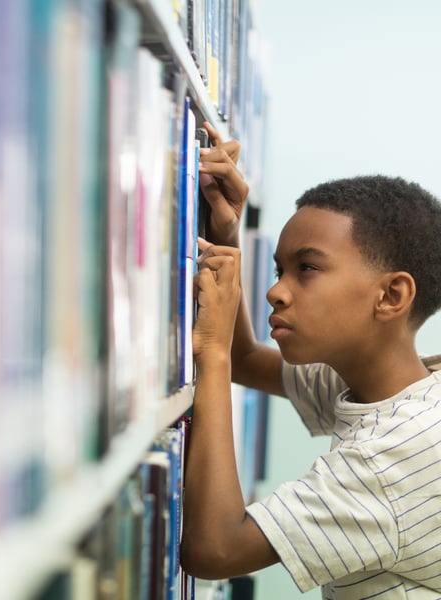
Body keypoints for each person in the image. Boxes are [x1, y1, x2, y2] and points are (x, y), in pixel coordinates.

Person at [179, 121, 441, 599]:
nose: (275, 290)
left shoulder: (396, 455)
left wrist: (210, 354)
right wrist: (226, 231)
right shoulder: (378, 382)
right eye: (281, 269)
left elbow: (214, 551)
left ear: (392, 295)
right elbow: (244, 359)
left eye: (308, 269)